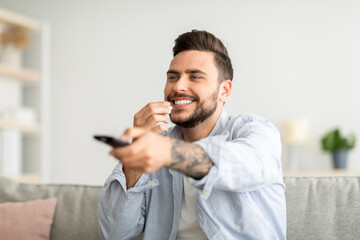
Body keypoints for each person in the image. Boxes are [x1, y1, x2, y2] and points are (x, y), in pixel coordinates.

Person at [98, 30, 286, 240]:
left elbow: (247, 164)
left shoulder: (256, 131)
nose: (178, 87)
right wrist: (134, 162)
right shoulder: (156, 145)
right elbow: (114, 233)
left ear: (224, 90)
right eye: (173, 77)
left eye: (195, 76)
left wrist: (170, 154)